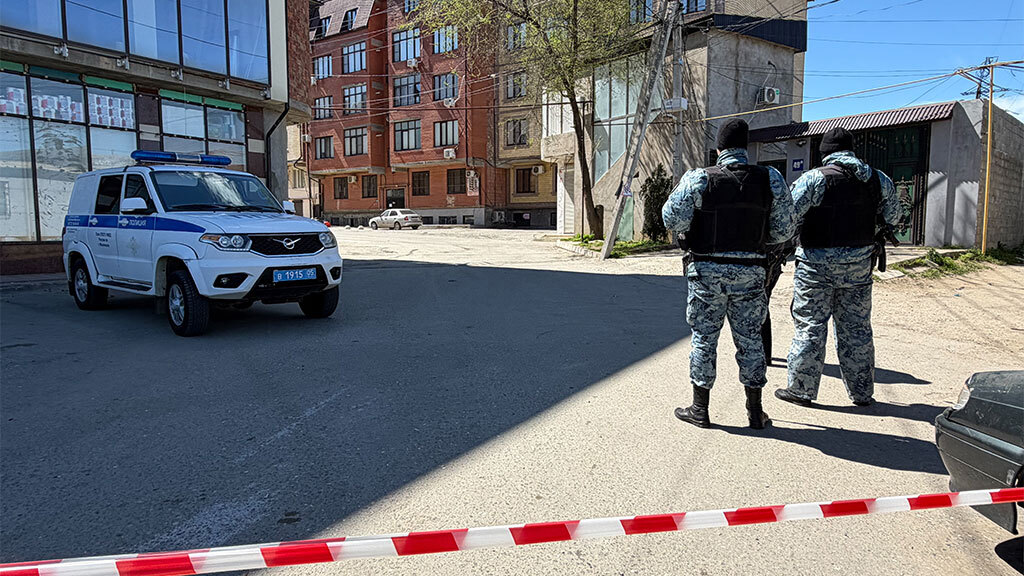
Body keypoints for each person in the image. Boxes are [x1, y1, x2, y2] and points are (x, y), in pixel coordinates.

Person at [662, 118, 795, 429]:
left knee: (704, 339)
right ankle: (755, 412)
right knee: (751, 339)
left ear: (719, 148)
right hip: (751, 273)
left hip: (706, 272)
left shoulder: (699, 178)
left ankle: (700, 409)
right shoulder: (770, 178)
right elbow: (785, 229)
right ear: (745, 147)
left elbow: (672, 219)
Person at [775, 127, 901, 408]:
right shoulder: (878, 179)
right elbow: (894, 216)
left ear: (825, 154)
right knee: (857, 329)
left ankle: (801, 390)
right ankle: (861, 392)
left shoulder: (813, 179)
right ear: (851, 150)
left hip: (815, 268)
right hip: (858, 268)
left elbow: (786, 220)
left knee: (810, 326)